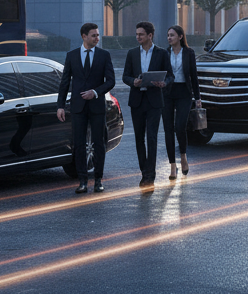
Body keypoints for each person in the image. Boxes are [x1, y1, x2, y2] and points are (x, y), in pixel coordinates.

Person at [57, 22, 115, 194]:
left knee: (99, 144)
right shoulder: (72, 56)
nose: (97, 38)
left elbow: (111, 81)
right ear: (84, 36)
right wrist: (60, 106)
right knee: (79, 145)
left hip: (97, 106)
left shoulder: (104, 55)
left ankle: (98, 180)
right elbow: (65, 82)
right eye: (94, 35)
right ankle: (82, 181)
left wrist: (95, 92)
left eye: (98, 35)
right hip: (78, 107)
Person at [122, 21, 173, 190]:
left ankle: (150, 175)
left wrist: (164, 83)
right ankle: (144, 171)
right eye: (136, 34)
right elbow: (125, 76)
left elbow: (170, 76)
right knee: (139, 138)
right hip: (137, 100)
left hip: (154, 101)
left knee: (151, 137)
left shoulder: (161, 54)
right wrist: (133, 82)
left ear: (150, 36)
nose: (137, 37)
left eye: (141, 34)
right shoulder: (131, 53)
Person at [163, 25, 201, 180]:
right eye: (168, 35)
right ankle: (173, 166)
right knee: (168, 129)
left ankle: (183, 157)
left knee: (180, 127)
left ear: (180, 37)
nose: (169, 38)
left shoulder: (189, 53)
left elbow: (193, 75)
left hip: (184, 93)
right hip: (167, 93)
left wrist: (197, 97)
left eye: (172, 35)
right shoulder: (164, 53)